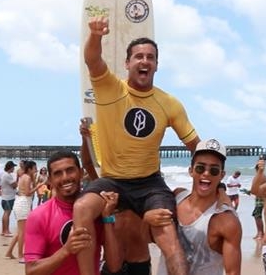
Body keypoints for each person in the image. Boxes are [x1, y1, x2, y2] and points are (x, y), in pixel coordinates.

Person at [73, 16, 200, 275]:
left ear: (156, 65)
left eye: (150, 57)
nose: (145, 61)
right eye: (139, 56)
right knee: (82, 208)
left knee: (170, 240)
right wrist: (96, 35)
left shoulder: (169, 103)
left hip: (150, 183)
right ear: (127, 63)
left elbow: (196, 147)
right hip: (112, 180)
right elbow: (92, 60)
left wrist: (209, 185)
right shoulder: (109, 88)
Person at [145, 139, 242, 275]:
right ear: (191, 170)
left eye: (214, 170)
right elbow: (148, 238)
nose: (206, 173)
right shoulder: (176, 198)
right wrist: (147, 219)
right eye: (200, 168)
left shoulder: (226, 221)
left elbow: (233, 272)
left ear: (222, 175)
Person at [24, 150, 122, 275]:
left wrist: (107, 218)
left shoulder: (94, 211)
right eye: (58, 174)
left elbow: (114, 265)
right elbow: (31, 271)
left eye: (70, 170)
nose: (65, 177)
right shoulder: (39, 216)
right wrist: (66, 250)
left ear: (81, 173)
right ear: (50, 180)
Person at [79, 117, 152, 275]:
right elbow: (87, 163)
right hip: (112, 264)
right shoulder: (107, 185)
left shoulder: (146, 187)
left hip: (139, 263)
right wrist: (86, 139)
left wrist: (220, 190)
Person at [7, 160, 38, 262]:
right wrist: (39, 185)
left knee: (20, 231)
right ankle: (20, 255)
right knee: (22, 232)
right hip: (23, 203)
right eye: (34, 168)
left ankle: (9, 251)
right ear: (30, 169)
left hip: (22, 203)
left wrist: (35, 180)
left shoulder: (25, 176)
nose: (36, 170)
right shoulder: (27, 177)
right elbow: (28, 193)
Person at [1, 161, 18, 237]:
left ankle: (3, 230)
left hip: (5, 197)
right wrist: (17, 178)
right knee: (7, 213)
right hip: (8, 197)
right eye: (13, 167)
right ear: (10, 167)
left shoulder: (4, 174)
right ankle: (6, 231)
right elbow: (14, 185)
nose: (14, 168)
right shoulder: (8, 175)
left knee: (5, 213)